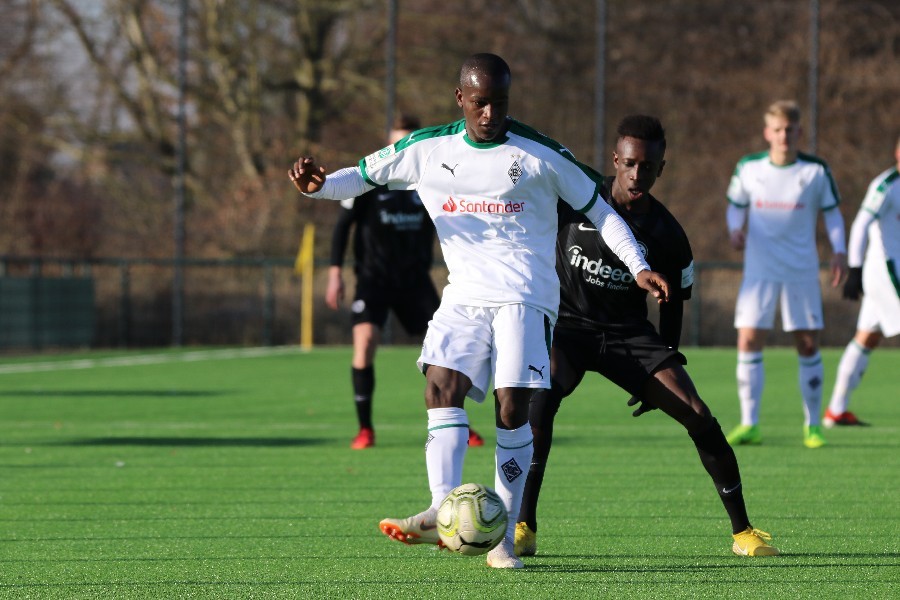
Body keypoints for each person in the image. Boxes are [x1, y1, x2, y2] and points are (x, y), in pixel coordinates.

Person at [289, 53, 669, 569]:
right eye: (481, 102)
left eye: (500, 102)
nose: (491, 113)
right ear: (460, 98)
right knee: (440, 387)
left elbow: (601, 210)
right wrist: (319, 187)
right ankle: (444, 514)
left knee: (512, 408)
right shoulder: (427, 148)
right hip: (465, 294)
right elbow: (361, 176)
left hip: (526, 296)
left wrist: (639, 265)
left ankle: (503, 540)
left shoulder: (539, 153)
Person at [513, 115, 779, 559]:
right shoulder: (575, 198)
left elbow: (673, 303)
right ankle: (524, 524)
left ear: (661, 168)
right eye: (630, 164)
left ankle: (744, 532)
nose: (638, 176)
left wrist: (665, 359)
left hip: (627, 336)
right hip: (569, 328)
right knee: (539, 403)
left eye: (649, 167)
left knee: (698, 414)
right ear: (616, 160)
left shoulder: (669, 236)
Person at [326, 114, 484, 450]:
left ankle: (460, 425)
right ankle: (365, 428)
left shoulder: (431, 177)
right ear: (388, 144)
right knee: (365, 342)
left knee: (448, 351)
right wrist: (335, 272)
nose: (403, 147)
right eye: (397, 141)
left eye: (409, 140)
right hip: (374, 279)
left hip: (415, 280)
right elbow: (342, 228)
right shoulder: (369, 179)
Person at [725, 100, 847, 449]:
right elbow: (735, 206)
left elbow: (833, 215)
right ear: (767, 132)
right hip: (759, 269)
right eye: (777, 130)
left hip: (800, 270)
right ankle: (750, 424)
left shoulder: (815, 171)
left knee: (807, 343)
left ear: (799, 132)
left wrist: (840, 252)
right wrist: (735, 229)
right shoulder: (749, 168)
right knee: (747, 340)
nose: (783, 136)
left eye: (789, 130)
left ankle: (813, 426)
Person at [825, 135, 900, 427]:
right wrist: (854, 270)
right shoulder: (886, 185)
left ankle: (836, 410)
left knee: (867, 336)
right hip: (886, 272)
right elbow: (861, 224)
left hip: (890, 274)